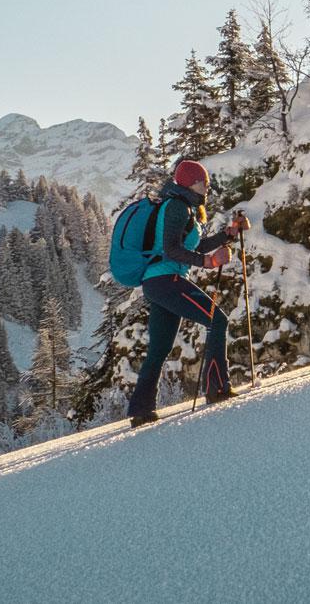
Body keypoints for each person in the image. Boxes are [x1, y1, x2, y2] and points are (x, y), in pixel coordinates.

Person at [126, 159, 248, 427]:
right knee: (217, 319)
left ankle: (141, 411)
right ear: (191, 183)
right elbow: (172, 249)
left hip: (159, 283)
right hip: (166, 280)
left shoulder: (183, 208)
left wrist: (226, 236)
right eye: (204, 182)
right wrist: (208, 262)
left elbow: (195, 244)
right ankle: (217, 387)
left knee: (159, 348)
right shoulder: (177, 207)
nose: (208, 186)